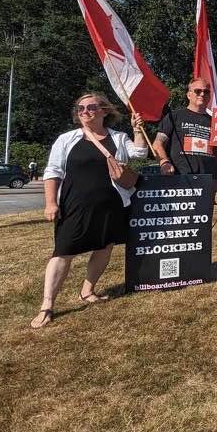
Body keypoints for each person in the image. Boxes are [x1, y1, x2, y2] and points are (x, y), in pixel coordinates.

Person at [30, 92, 147, 328]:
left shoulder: (118, 137)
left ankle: (87, 290)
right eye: (80, 108)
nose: (85, 112)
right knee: (63, 252)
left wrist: (137, 130)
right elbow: (52, 172)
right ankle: (47, 305)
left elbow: (139, 153)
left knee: (104, 247)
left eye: (91, 107)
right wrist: (51, 203)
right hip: (74, 205)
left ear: (104, 111)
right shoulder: (67, 139)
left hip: (111, 204)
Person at [153, 77, 217, 178]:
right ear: (189, 95)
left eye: (206, 92)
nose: (202, 94)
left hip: (209, 179)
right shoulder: (174, 116)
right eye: (198, 91)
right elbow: (157, 144)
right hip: (180, 178)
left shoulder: (216, 122)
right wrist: (164, 162)